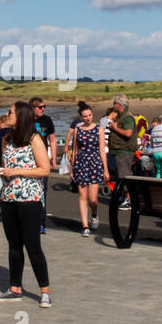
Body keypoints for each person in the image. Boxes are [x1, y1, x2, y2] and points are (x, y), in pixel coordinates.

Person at [0, 102, 53, 307]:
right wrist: (2, 171)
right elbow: (5, 164)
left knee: (33, 245)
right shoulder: (7, 138)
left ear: (20, 116)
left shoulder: (34, 139)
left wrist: (17, 171)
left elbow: (44, 169)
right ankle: (14, 287)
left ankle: (44, 290)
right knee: (14, 245)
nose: (7, 114)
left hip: (30, 198)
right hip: (9, 197)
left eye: (10, 112)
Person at [66, 102, 108, 236]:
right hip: (81, 163)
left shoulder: (99, 129)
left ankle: (94, 214)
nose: (88, 118)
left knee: (93, 199)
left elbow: (102, 149)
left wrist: (105, 169)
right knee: (82, 196)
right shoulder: (78, 129)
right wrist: (72, 169)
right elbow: (74, 150)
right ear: (81, 117)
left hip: (95, 163)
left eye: (90, 115)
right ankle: (84, 226)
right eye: (85, 116)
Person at [30, 97, 56, 233]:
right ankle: (30, 221)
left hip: (44, 160)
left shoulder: (47, 120)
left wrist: (53, 158)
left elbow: (52, 139)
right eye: (40, 107)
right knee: (30, 191)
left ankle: (41, 223)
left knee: (42, 191)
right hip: (29, 161)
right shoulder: (26, 120)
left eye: (44, 106)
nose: (43, 109)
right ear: (32, 108)